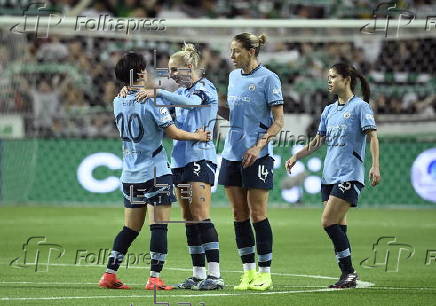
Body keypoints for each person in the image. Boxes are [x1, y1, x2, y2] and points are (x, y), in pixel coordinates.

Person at [98, 52, 210, 290]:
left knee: (129, 228)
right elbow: (173, 133)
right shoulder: (150, 101)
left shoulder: (118, 100)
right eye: (145, 70)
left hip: (130, 173)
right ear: (139, 73)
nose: (148, 73)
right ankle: (154, 278)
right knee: (159, 226)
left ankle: (109, 274)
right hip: (155, 171)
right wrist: (197, 136)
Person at [132, 43, 224, 290]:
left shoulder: (205, 88)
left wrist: (158, 93)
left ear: (190, 67)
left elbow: (192, 104)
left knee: (201, 215)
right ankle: (197, 274)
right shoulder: (182, 93)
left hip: (200, 159)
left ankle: (215, 275)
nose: (171, 74)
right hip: (180, 161)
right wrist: (128, 92)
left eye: (174, 70)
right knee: (188, 218)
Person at [285, 62, 381, 288]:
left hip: (349, 175)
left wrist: (375, 166)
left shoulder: (360, 107)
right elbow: (319, 141)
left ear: (346, 79)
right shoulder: (329, 110)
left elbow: (373, 137)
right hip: (329, 176)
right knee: (338, 224)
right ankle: (347, 275)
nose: (329, 81)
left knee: (327, 222)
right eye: (328, 77)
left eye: (333, 77)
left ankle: (349, 272)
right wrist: (297, 156)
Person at [217, 33, 284, 291]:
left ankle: (265, 273)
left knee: (258, 214)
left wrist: (258, 146)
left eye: (236, 51)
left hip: (258, 155)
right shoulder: (233, 77)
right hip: (231, 153)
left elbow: (278, 121)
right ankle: (248, 272)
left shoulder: (269, 78)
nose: (231, 56)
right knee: (238, 214)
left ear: (251, 51)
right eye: (231, 51)